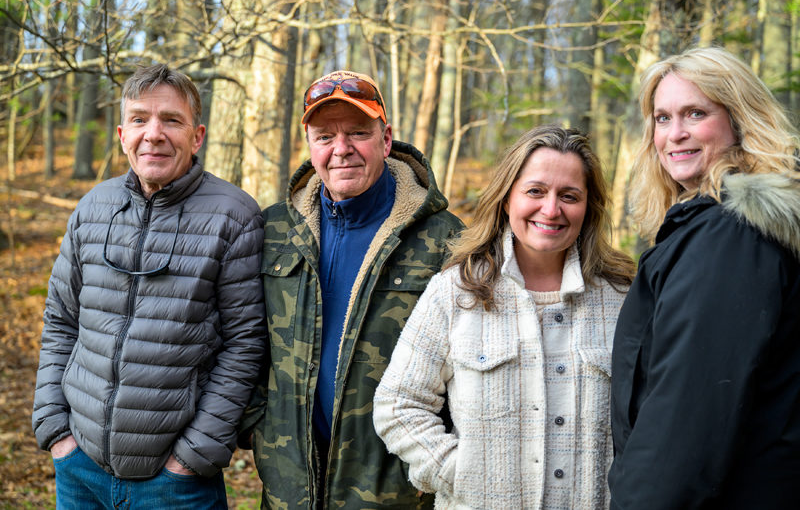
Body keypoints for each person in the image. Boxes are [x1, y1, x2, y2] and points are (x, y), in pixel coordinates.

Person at [32, 64, 267, 509]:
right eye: (140, 119)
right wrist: (54, 429)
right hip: (80, 469)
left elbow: (246, 344)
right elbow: (61, 321)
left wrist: (193, 456)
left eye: (171, 120)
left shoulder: (234, 216)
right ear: (123, 133)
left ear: (197, 136)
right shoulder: (92, 208)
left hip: (176, 484)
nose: (154, 134)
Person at [373, 125, 636, 509]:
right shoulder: (456, 292)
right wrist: (460, 474)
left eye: (569, 196)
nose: (551, 209)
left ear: (588, 206)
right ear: (506, 197)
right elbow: (398, 405)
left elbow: (651, 420)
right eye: (535, 191)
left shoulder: (623, 296)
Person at [237, 70, 463, 508]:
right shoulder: (274, 230)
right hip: (289, 486)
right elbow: (241, 336)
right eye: (325, 136)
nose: (341, 149)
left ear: (385, 137)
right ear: (309, 142)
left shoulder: (445, 240)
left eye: (358, 132)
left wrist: (434, 461)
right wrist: (260, 429)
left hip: (390, 488)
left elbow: (465, 367)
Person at [608, 46, 800, 509]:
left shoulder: (731, 236)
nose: (675, 134)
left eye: (695, 114)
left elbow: (687, 416)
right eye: (662, 118)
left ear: (739, 118)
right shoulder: (706, 226)